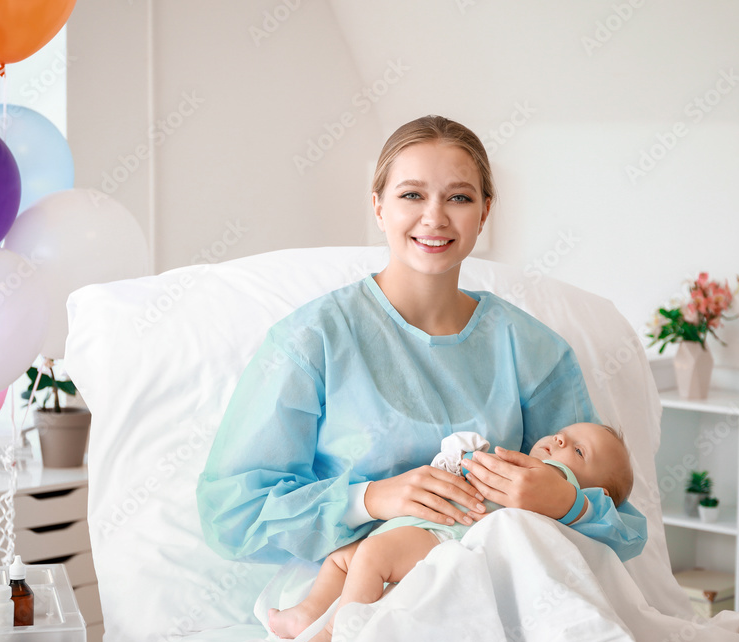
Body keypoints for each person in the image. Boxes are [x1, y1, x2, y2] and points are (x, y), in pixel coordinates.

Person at [196, 114, 613, 604]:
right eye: (411, 195)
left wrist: (565, 503)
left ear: (484, 212)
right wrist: (370, 498)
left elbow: (619, 517)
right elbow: (232, 514)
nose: (434, 218)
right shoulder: (313, 340)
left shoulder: (532, 349)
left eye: (459, 197)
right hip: (349, 595)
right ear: (378, 206)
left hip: (489, 592)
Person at [268, 422, 647, 642]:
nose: (560, 442)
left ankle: (335, 634)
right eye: (563, 435)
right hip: (411, 522)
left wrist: (570, 499)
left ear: (599, 494)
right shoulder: (525, 461)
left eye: (578, 451)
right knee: (344, 558)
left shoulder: (556, 481)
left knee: (370, 557)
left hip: (441, 536)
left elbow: (625, 531)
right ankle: (307, 614)